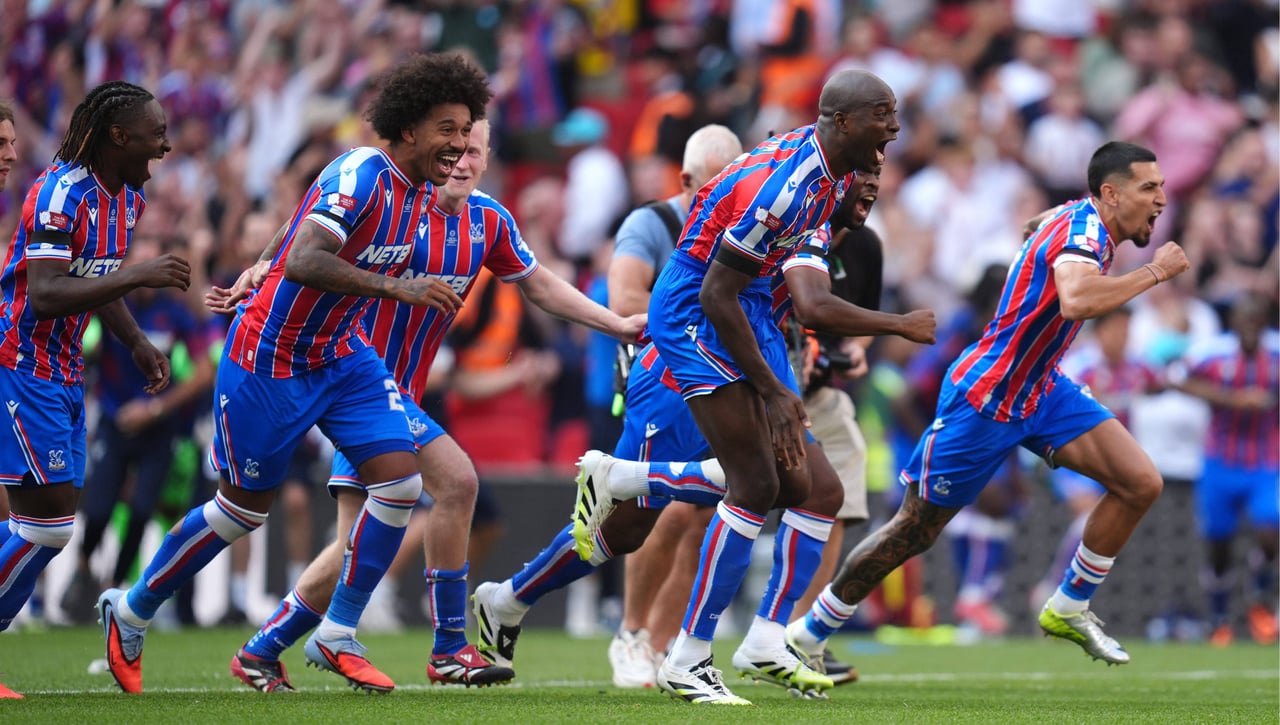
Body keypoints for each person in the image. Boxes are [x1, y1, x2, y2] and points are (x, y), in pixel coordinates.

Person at [96, 53, 489, 695]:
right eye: (448, 128)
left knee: (400, 485)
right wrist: (395, 286)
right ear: (409, 128)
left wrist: (260, 261)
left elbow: (298, 222)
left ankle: (337, 631)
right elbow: (308, 256)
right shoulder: (363, 174)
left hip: (342, 355)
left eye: (466, 130)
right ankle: (133, 609)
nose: (459, 143)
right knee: (239, 513)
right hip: (269, 360)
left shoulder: (420, 186)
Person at [213, 117, 645, 693]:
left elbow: (540, 285)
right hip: (354, 385)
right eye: (455, 150)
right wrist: (267, 264)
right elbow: (312, 219)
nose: (463, 162)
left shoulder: (489, 221)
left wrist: (616, 324)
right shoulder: (397, 204)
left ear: (488, 159)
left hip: (392, 398)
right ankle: (446, 647)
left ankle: (263, 649)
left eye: (475, 152)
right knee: (458, 484)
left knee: (350, 548)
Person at [472, 168, 934, 705]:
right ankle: (546, 605)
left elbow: (793, 308)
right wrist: (896, 323)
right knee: (627, 529)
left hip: (748, 366)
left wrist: (817, 350)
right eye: (866, 169)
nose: (874, 182)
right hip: (676, 375)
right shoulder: (668, 220)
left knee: (808, 489)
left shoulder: (834, 231)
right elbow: (632, 296)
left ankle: (742, 638)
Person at [786, 141, 1191, 669]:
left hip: (1042, 389)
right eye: (1149, 188)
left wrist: (1039, 229)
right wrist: (1156, 272)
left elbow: (1038, 227)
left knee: (1140, 482)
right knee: (914, 530)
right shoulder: (1086, 232)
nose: (1161, 199)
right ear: (1111, 194)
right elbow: (1076, 300)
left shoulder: (1082, 218)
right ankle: (808, 632)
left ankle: (1068, 605)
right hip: (987, 396)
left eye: (1161, 187)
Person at [632, 68, 898, 705]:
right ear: (842, 121)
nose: (893, 127)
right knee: (754, 485)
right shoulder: (786, 188)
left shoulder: (828, 174)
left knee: (821, 491)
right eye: (882, 114)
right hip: (697, 313)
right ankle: (687, 656)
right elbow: (715, 292)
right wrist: (777, 391)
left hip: (750, 315)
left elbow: (801, 288)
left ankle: (765, 638)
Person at [0, 82, 192, 700]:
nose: (164, 147)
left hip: (63, 373)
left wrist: (136, 341)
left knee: (49, 522)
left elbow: (96, 279)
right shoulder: (59, 193)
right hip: (20, 361)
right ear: (118, 136)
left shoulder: (127, 198)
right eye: (156, 134)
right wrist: (140, 275)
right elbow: (47, 292)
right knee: (48, 526)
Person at [604, 124, 744, 689]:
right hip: (659, 383)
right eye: (716, 184)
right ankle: (630, 633)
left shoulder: (744, 229)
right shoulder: (653, 224)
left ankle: (662, 645)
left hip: (719, 387)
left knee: (704, 515)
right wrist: (709, 321)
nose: (730, 196)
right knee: (661, 508)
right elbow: (624, 298)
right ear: (686, 180)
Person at [59, 236, 214, 623]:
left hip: (159, 428)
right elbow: (81, 345)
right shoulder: (110, 305)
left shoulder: (174, 314)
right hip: (114, 422)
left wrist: (156, 408)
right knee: (98, 510)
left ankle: (112, 591)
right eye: (138, 263)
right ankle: (82, 567)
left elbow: (204, 371)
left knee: (143, 510)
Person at [1176, 293, 1278, 646]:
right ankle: (1218, 616)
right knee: (1219, 545)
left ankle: (1260, 594)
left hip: (1266, 461)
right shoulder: (1213, 353)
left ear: (1264, 324)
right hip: (1219, 461)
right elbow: (1176, 377)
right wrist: (1231, 399)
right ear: (1233, 323)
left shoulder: (1275, 355)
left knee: (1270, 528)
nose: (1250, 327)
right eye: (1244, 320)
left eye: (1256, 320)